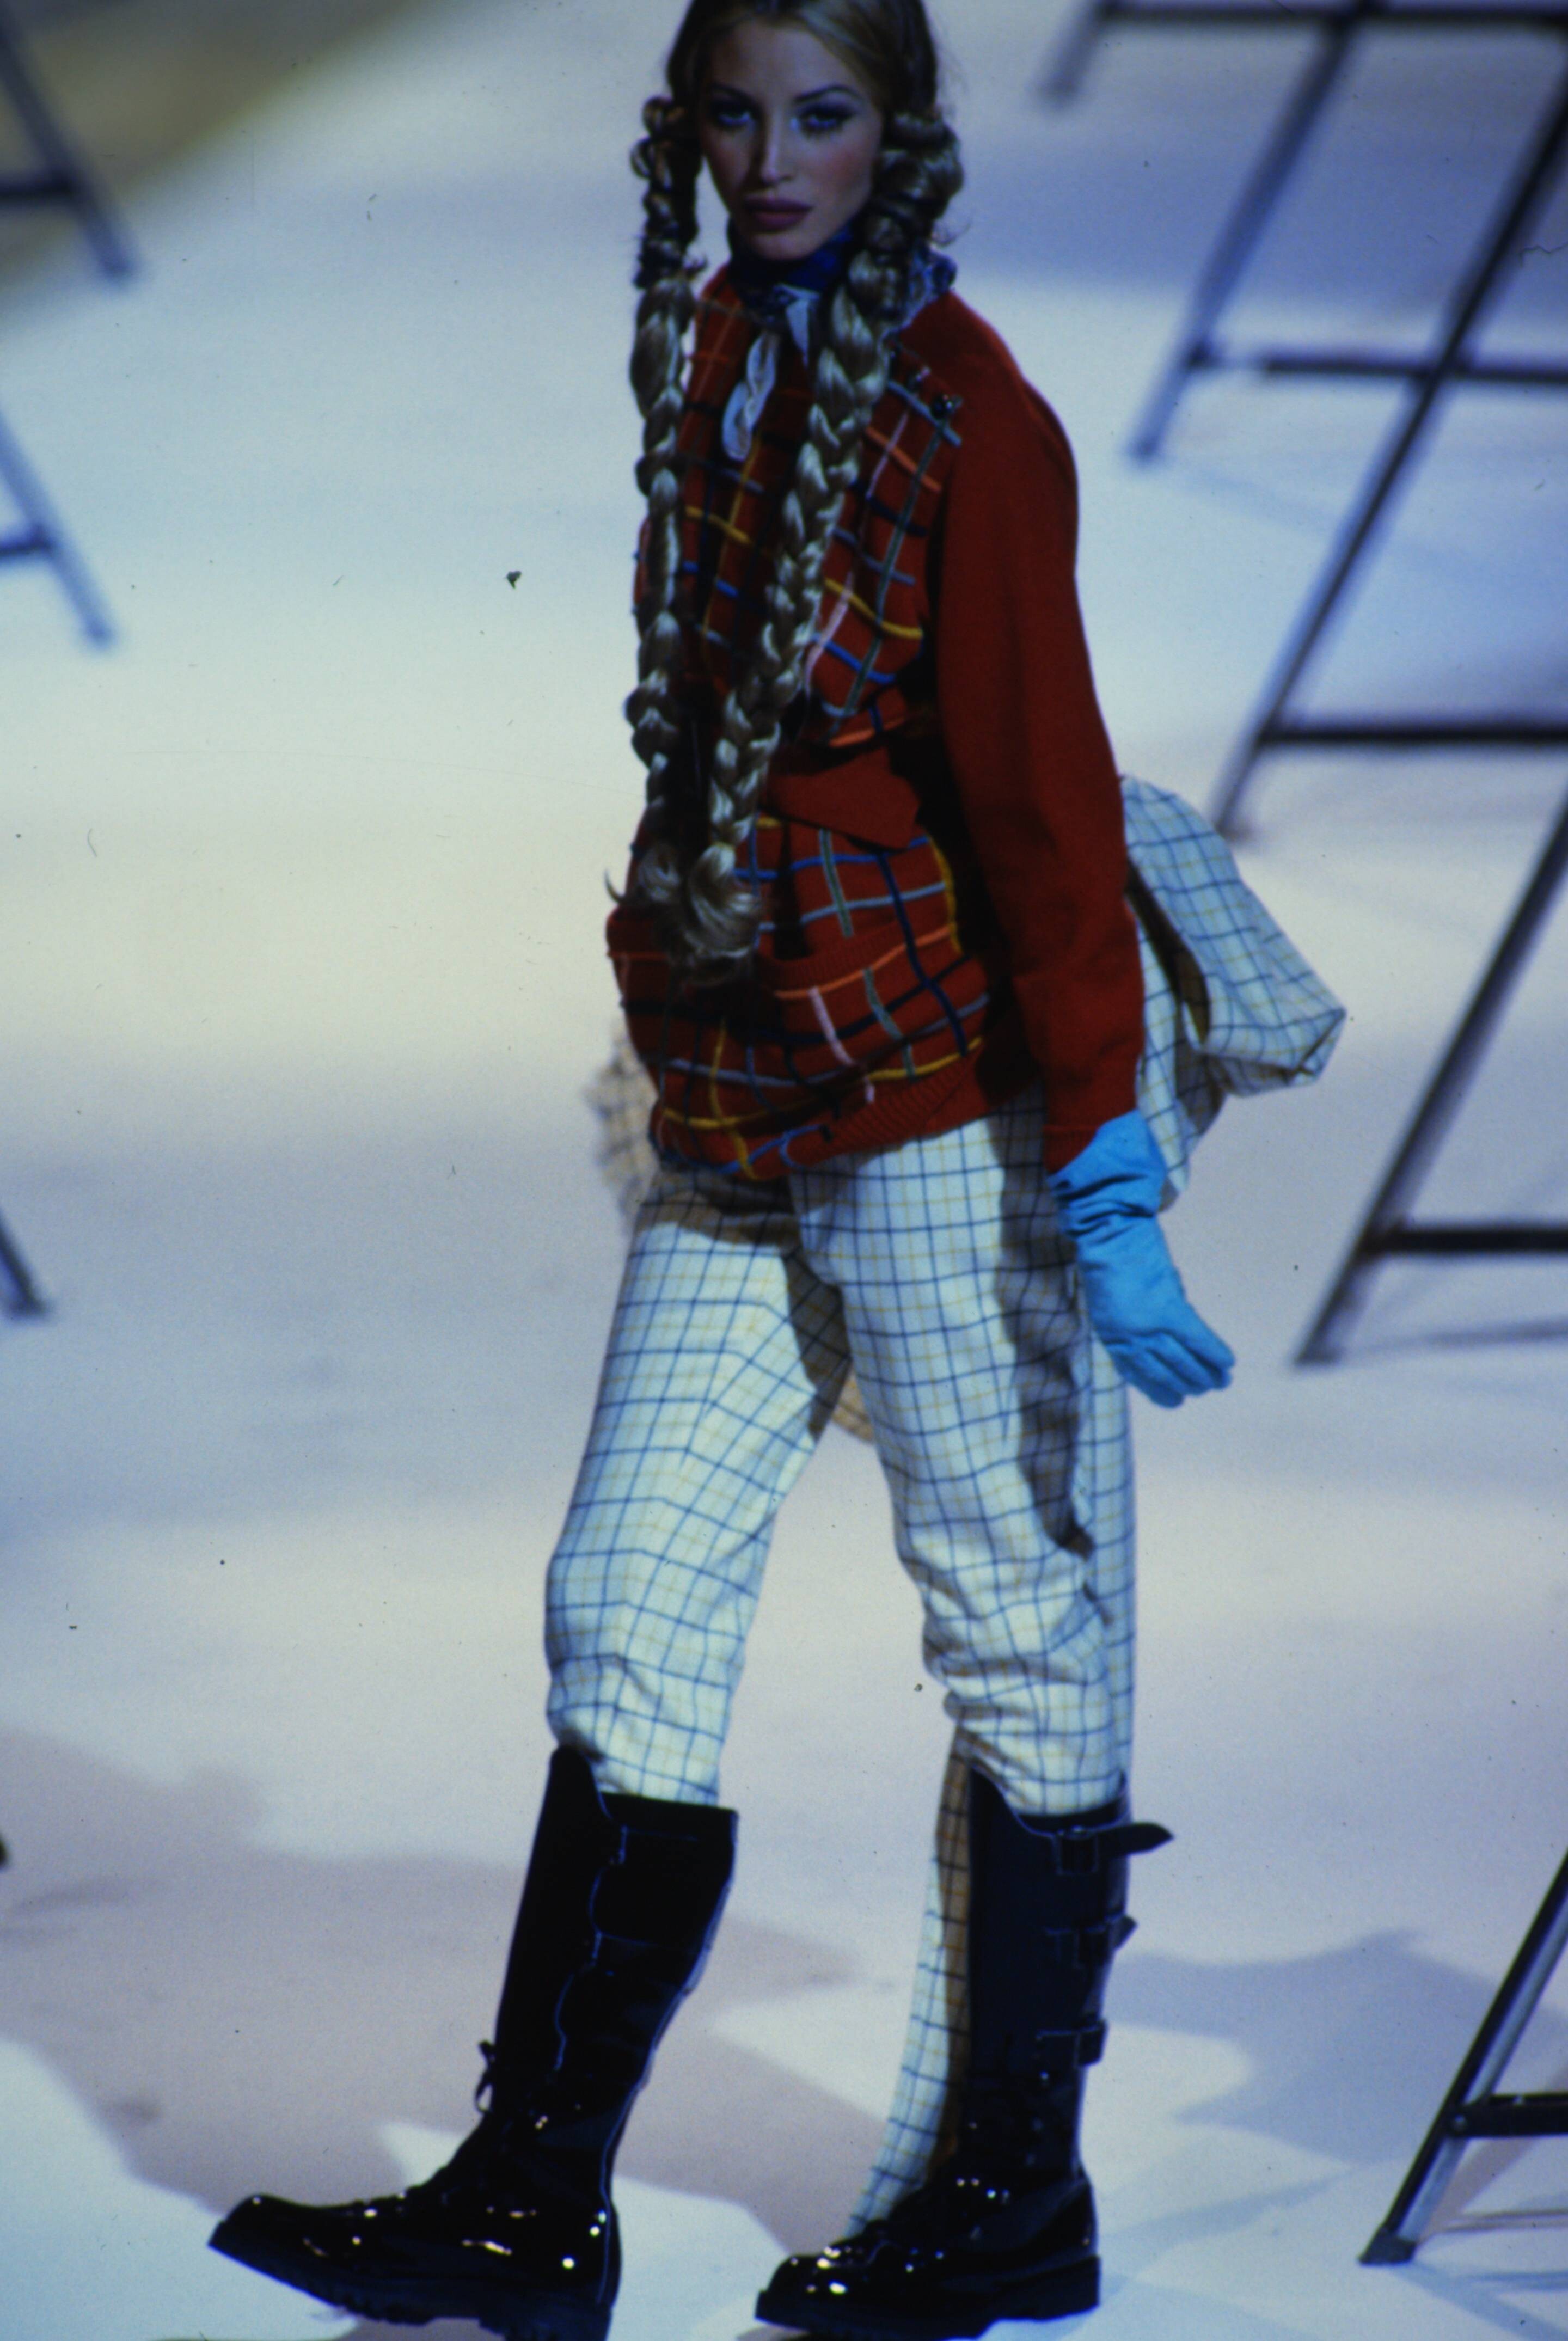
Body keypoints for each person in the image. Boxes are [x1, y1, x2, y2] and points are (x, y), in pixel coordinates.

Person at [210, 4, 1323, 2336]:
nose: (773, 157)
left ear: (899, 131)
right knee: (624, 1592)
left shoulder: (972, 423)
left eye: (822, 116)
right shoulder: (722, 350)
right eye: (734, 114)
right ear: (684, 132)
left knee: (1013, 1620)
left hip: (935, 1092)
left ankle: (1012, 2194)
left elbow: (1044, 800)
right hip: (740, 1088)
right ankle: (532, 2200)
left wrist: (1107, 1171)